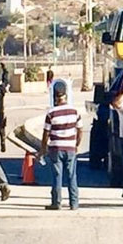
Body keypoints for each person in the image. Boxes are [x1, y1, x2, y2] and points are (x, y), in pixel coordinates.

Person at [39, 81, 82, 210]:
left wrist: (43, 149)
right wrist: (76, 144)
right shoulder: (75, 111)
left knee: (57, 176)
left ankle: (56, 203)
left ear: (55, 97)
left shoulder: (51, 113)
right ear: (66, 95)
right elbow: (80, 130)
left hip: (55, 148)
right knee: (71, 175)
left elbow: (46, 133)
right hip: (70, 148)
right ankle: (74, 203)